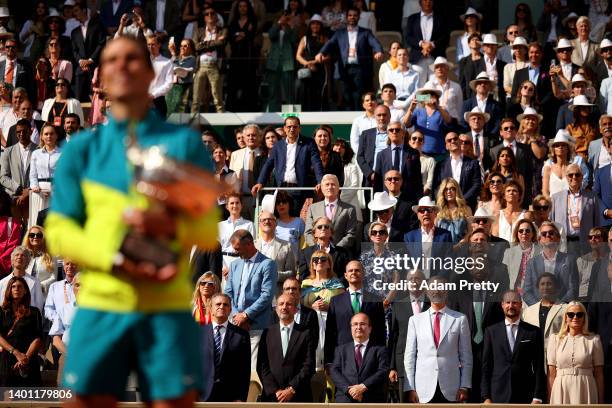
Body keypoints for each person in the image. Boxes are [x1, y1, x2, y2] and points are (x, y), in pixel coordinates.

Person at [45, 36, 222, 408]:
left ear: (150, 73)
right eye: (111, 61)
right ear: (100, 78)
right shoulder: (81, 149)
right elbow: (59, 231)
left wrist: (170, 227)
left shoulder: (185, 145)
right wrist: (113, 256)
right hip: (101, 304)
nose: (121, 67)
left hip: (165, 308)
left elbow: (208, 228)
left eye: (131, 59)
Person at [404, 275, 472, 403]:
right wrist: (410, 388)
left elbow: (466, 356)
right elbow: (410, 356)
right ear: (426, 291)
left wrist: (464, 386)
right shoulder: (415, 320)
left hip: (452, 388)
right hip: (422, 389)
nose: (436, 290)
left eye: (440, 287)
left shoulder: (460, 319)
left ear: (447, 291)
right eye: (433, 287)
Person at [224, 230, 277, 370]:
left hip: (257, 326)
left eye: (237, 249)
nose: (235, 252)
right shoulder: (235, 264)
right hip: (235, 324)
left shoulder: (267, 264)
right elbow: (228, 293)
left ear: (249, 244)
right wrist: (236, 316)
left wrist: (246, 315)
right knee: (234, 368)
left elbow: (267, 295)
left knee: (253, 370)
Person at [481, 290, 546, 403]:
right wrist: (486, 397)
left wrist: (537, 397)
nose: (511, 306)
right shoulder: (491, 331)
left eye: (515, 302)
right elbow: (487, 367)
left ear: (520, 305)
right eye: (508, 302)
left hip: (525, 394)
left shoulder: (533, 332)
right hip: (497, 395)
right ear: (502, 305)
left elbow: (539, 367)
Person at [315, 7, 383, 110]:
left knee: (358, 95)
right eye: (350, 15)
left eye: (355, 15)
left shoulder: (365, 32)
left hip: (359, 69)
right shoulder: (339, 33)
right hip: (344, 68)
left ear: (359, 17)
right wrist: (321, 53)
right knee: (345, 95)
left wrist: (379, 51)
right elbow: (330, 44)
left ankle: (357, 117)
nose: (352, 17)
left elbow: (374, 42)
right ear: (347, 17)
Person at [252, 116, 324, 213]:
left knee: (295, 219)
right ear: (284, 128)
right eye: (289, 127)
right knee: (281, 218)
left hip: (299, 189)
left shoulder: (309, 143)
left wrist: (320, 181)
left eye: (295, 127)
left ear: (299, 128)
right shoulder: (278, 145)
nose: (292, 129)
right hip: (281, 189)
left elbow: (316, 162)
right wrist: (260, 182)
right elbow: (269, 164)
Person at [324, 260, 385, 365]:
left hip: (370, 358)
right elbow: (330, 332)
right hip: (343, 358)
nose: (353, 273)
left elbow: (380, 332)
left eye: (357, 270)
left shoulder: (376, 300)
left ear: (363, 274)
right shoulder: (335, 301)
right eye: (350, 270)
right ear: (346, 275)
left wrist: (382, 360)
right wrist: (328, 361)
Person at [257, 293, 315, 402]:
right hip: (273, 398)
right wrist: (275, 391)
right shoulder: (267, 333)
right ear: (276, 308)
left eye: (288, 304)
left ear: (295, 309)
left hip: (299, 396)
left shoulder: (305, 333)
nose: (284, 307)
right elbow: (262, 365)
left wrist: (292, 389)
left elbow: (309, 365)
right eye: (281, 304)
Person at [548, 301, 605, 404]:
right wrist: (550, 399)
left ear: (584, 318)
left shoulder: (594, 340)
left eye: (579, 314)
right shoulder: (555, 339)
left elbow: (599, 374)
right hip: (561, 389)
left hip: (586, 388)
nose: (575, 317)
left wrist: (601, 401)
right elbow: (551, 374)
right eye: (571, 314)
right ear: (565, 317)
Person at [200, 293, 251, 402]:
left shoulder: (241, 335)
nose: (221, 307)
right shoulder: (198, 333)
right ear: (211, 308)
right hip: (203, 395)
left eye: (225, 305)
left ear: (230, 309)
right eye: (218, 304)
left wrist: (241, 398)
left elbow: (244, 370)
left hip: (230, 396)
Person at [389, 270, 429, 402]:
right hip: (403, 366)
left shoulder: (433, 304)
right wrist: (392, 367)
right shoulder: (398, 305)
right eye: (410, 279)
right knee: (405, 403)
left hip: (429, 364)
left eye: (417, 278)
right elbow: (394, 337)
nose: (413, 282)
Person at [330, 312, 389, 402]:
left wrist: (363, 386)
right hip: (345, 399)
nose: (358, 327)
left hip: (372, 399)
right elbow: (334, 371)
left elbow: (383, 371)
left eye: (362, 324)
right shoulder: (340, 350)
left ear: (370, 328)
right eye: (355, 324)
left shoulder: (380, 349)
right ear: (351, 328)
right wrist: (350, 390)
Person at [301, 250, 344, 369]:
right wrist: (312, 307)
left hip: (330, 324)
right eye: (315, 260)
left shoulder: (337, 284)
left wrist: (329, 308)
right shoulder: (305, 284)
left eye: (323, 259)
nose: (319, 261)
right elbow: (299, 306)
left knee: (329, 357)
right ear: (312, 265)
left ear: (329, 264)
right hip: (310, 325)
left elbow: (344, 306)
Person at [0, 276, 43, 386]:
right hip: (7, 359)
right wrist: (16, 353)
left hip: (28, 360)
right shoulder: (2, 311)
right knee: (7, 398)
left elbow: (37, 338)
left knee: (29, 397)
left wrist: (25, 358)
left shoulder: (34, 312)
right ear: (9, 290)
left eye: (20, 286)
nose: (16, 289)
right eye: (13, 286)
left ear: (25, 291)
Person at [523, 221, 579, 305]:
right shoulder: (532, 263)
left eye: (551, 233)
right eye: (544, 234)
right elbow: (527, 292)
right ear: (539, 240)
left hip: (562, 309)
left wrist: (558, 306)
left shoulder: (569, 260)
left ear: (558, 238)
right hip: (538, 310)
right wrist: (539, 307)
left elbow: (573, 288)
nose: (547, 235)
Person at [522, 273, 567, 363]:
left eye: (549, 284)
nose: (545, 287)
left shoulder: (565, 309)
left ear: (556, 287)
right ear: (538, 288)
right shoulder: (528, 312)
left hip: (557, 358)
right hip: (533, 359)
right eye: (542, 284)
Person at [304, 174, 357, 250]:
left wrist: (334, 250)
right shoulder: (313, 208)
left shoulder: (349, 209)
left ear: (338, 188)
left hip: (340, 253)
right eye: (327, 184)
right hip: (318, 254)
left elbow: (351, 234)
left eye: (333, 184)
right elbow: (308, 233)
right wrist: (317, 247)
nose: (330, 187)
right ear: (322, 188)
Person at [404, 196, 452, 277]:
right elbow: (407, 263)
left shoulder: (445, 235)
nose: (425, 213)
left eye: (429, 210)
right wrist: (415, 278)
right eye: (422, 211)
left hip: (437, 284)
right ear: (418, 215)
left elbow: (448, 262)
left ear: (435, 214)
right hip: (416, 283)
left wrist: (437, 281)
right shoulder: (409, 237)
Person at [373, 121, 422, 200]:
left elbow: (418, 180)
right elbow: (377, 181)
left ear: (403, 133)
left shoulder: (413, 153)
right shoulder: (381, 155)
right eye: (391, 130)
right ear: (388, 134)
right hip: (387, 197)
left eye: (397, 130)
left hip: (408, 197)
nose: (394, 132)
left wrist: (419, 199)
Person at [550, 163, 599, 244]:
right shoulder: (556, 198)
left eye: (577, 175)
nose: (574, 177)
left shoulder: (592, 197)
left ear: (582, 177)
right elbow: (551, 223)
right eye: (570, 175)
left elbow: (596, 223)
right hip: (563, 243)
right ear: (566, 177)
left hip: (585, 243)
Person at [433, 131, 482, 210]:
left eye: (455, 138)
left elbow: (476, 185)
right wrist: (445, 202)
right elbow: (436, 187)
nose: (453, 141)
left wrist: (462, 200)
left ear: (459, 142)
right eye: (449, 140)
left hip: (467, 206)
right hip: (446, 208)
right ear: (446, 146)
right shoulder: (440, 165)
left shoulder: (473, 163)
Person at [0, 119, 36, 225]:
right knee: (16, 232)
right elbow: (3, 177)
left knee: (31, 230)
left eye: (24, 131)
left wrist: (28, 192)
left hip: (33, 197)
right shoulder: (7, 152)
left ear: (31, 131)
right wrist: (20, 190)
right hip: (14, 199)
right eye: (18, 132)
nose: (21, 134)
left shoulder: (38, 150)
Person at [47, 265, 79, 386]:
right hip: (67, 356)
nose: (81, 289)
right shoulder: (64, 309)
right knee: (65, 396)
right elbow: (55, 339)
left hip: (89, 357)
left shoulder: (97, 310)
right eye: (77, 285)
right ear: (73, 288)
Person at [191, 4, 226, 114]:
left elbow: (221, 43)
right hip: (200, 66)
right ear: (204, 17)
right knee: (196, 99)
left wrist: (203, 44)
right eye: (207, 14)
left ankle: (222, 123)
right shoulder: (199, 31)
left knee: (218, 98)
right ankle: (193, 123)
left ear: (216, 16)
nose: (210, 15)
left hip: (215, 65)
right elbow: (195, 47)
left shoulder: (222, 30)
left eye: (212, 13)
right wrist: (214, 42)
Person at [226, 0, 258, 112]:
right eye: (240, 6)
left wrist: (240, 35)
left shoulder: (252, 21)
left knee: (248, 84)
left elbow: (251, 34)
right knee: (233, 83)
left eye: (245, 6)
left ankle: (248, 109)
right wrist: (242, 34)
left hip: (248, 56)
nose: (242, 8)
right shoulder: (234, 22)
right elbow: (231, 37)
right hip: (235, 56)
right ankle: (232, 109)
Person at [70, 1, 106, 102]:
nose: (74, 13)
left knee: (97, 99)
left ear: (84, 10)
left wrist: (91, 59)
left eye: (76, 11)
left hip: (95, 68)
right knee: (78, 100)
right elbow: (74, 50)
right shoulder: (74, 32)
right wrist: (81, 61)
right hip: (80, 70)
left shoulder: (97, 26)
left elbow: (101, 43)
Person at [28, 124, 61, 229]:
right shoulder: (36, 153)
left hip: (56, 191)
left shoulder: (62, 153)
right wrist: (35, 187)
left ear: (56, 136)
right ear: (41, 136)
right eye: (46, 134)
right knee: (37, 223)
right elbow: (32, 175)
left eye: (51, 134)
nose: (49, 136)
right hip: (38, 191)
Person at [255, 211, 296, 292]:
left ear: (276, 223)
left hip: (277, 295)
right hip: (255, 295)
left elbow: (291, 273)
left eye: (270, 219)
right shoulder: (253, 245)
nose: (267, 221)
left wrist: (275, 275)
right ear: (259, 224)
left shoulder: (286, 246)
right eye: (264, 220)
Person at [298, 217, 350, 281]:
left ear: (331, 232)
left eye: (326, 227)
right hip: (313, 289)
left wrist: (333, 285)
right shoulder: (305, 253)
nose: (323, 229)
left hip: (337, 289)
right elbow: (303, 276)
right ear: (314, 233)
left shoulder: (343, 252)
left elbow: (346, 275)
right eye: (319, 227)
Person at [403, 0, 449, 71]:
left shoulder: (440, 18)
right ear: (420, 3)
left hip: (436, 58)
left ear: (433, 2)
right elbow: (408, 37)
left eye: (430, 0)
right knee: (417, 81)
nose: (427, 2)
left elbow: (445, 37)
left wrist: (432, 44)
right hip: (417, 58)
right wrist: (421, 44)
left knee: (436, 82)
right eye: (425, 0)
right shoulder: (412, 18)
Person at [295, 14, 328, 112]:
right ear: (310, 26)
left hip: (320, 70)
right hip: (307, 71)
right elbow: (298, 56)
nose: (315, 26)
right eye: (313, 24)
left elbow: (328, 56)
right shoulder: (305, 38)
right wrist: (308, 64)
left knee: (318, 92)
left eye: (317, 24)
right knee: (305, 92)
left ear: (321, 26)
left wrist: (314, 62)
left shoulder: (325, 39)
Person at [218, 193, 254, 274]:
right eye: (232, 203)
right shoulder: (220, 226)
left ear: (242, 206)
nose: (235, 205)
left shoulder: (249, 225)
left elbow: (250, 249)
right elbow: (216, 249)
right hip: (223, 264)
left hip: (242, 263)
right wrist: (223, 268)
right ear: (227, 206)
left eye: (237, 203)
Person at [502, 219, 541, 295]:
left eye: (527, 231)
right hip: (514, 294)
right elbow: (504, 276)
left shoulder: (541, 251)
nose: (524, 233)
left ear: (533, 233)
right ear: (517, 233)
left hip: (534, 294)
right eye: (521, 231)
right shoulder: (509, 252)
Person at [0, 247, 44, 312]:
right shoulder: (2, 282)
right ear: (12, 260)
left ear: (27, 261)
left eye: (23, 255)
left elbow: (39, 305)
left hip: (28, 318)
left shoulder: (35, 282)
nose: (19, 257)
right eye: (17, 255)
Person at [424, 56, 463, 122]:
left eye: (442, 66)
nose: (439, 69)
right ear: (434, 70)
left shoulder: (456, 86)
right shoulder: (428, 84)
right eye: (437, 67)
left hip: (451, 121)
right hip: (433, 121)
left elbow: (459, 107)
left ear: (447, 69)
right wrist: (429, 99)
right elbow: (418, 98)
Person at [434, 177, 472, 243]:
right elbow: (434, 231)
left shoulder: (466, 209)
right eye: (446, 189)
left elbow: (471, 230)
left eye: (452, 189)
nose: (449, 192)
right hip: (442, 249)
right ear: (442, 192)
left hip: (461, 248)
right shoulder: (438, 210)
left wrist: (464, 240)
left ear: (457, 191)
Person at [22, 225, 57, 295]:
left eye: (39, 235)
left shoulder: (51, 256)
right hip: (24, 295)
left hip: (43, 295)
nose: (35, 237)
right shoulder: (23, 255)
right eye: (32, 235)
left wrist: (39, 286)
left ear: (43, 238)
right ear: (28, 238)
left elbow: (54, 277)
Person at [166, 38, 196, 115]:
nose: (182, 48)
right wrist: (173, 54)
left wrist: (173, 55)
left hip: (183, 86)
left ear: (191, 48)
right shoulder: (177, 58)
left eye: (185, 46)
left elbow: (180, 70)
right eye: (181, 46)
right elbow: (169, 66)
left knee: (178, 109)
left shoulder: (192, 59)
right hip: (173, 86)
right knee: (169, 108)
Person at [146, 33, 173, 118]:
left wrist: (153, 95)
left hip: (158, 102)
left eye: (153, 44)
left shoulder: (167, 62)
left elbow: (169, 84)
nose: (150, 47)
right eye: (149, 44)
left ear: (159, 45)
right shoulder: (143, 61)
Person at [408, 131, 435, 196]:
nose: (417, 141)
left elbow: (430, 183)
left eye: (420, 139)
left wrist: (419, 196)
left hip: (423, 197)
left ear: (423, 143)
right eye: (414, 138)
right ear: (409, 141)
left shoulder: (430, 160)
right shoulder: (403, 158)